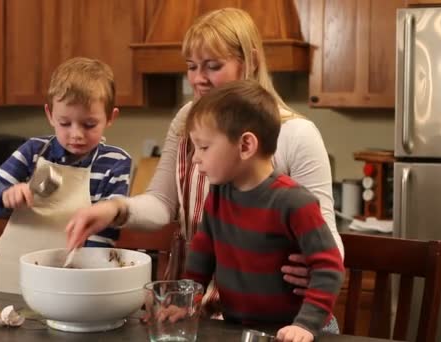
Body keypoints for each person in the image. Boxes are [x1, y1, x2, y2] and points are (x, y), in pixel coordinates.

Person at [66, 6, 342, 304]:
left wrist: (311, 267)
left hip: (266, 309)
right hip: (193, 299)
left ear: (249, 60)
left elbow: (329, 240)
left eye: (212, 66)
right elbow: (162, 202)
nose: (197, 78)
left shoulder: (297, 134)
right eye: (192, 66)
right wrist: (114, 209)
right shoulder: (187, 121)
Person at [181, 80, 344, 341]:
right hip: (242, 329)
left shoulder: (294, 202)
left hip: (301, 330)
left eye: (204, 147)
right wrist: (183, 304)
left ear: (246, 146)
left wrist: (304, 325)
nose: (195, 158)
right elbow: (201, 256)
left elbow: (329, 268)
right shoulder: (219, 194)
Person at [0, 57, 131, 294]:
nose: (75, 134)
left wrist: (81, 275)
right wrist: (4, 196)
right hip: (12, 274)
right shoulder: (33, 152)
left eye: (89, 125)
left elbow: (105, 231)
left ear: (111, 118)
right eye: (65, 123)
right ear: (49, 114)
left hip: (71, 278)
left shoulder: (114, 163)